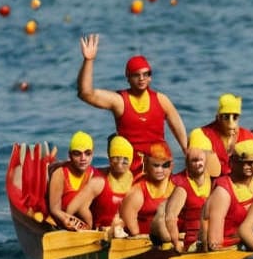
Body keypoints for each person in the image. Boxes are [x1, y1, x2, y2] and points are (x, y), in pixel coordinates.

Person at [76, 34, 187, 174]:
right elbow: (86, 93)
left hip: (159, 168)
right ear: (128, 78)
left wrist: (186, 150)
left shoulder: (161, 100)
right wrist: (88, 60)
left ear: (150, 77)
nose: (141, 79)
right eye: (136, 75)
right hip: (130, 170)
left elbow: (177, 124)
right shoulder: (120, 101)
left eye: (145, 74)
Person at [203, 139, 253, 252]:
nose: (248, 166)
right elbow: (214, 242)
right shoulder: (222, 192)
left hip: (252, 243)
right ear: (232, 162)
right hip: (227, 248)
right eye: (243, 162)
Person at [65, 134, 135, 231]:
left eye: (125, 159)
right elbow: (71, 210)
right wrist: (83, 228)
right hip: (96, 231)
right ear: (109, 157)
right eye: (115, 157)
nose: (119, 163)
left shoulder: (136, 182)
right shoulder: (97, 180)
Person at [160, 128, 214, 253]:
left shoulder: (213, 181)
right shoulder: (179, 185)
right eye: (194, 160)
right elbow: (169, 217)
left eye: (201, 159)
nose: (198, 164)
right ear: (187, 160)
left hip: (208, 238)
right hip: (189, 241)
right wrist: (176, 243)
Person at [119, 141, 176, 239]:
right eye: (156, 165)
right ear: (147, 164)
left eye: (165, 165)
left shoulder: (178, 186)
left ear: (171, 166)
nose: (160, 170)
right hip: (143, 241)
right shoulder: (137, 192)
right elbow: (130, 224)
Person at [198, 94, 253, 178]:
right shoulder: (204, 135)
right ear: (218, 118)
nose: (230, 122)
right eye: (226, 117)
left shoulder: (248, 138)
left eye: (235, 117)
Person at [47, 130, 97, 231]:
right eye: (77, 154)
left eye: (87, 153)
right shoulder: (60, 174)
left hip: (83, 222)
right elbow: (54, 210)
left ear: (92, 154)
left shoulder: (93, 174)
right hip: (63, 220)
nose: (83, 158)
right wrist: (72, 222)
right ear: (70, 155)